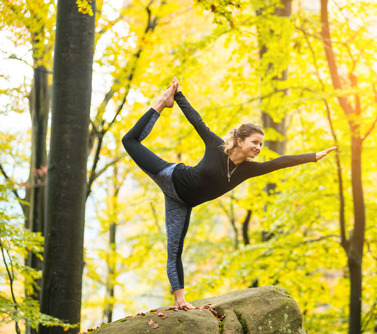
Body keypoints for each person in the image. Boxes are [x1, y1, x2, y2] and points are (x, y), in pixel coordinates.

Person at [122, 77, 336, 309]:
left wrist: (313, 156)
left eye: (261, 144)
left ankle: (179, 300)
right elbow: (196, 120)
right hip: (169, 176)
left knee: (175, 249)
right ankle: (162, 102)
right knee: (130, 140)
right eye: (255, 142)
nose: (258, 147)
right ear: (239, 140)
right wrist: (179, 96)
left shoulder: (248, 169)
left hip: (181, 203)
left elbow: (279, 162)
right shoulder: (215, 146)